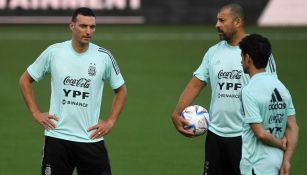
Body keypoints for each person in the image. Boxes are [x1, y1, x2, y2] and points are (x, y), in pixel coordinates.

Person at [19, 7, 127, 175]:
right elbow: (25, 80)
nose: (88, 31)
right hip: (57, 138)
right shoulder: (54, 52)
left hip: (90, 139)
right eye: (83, 26)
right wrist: (35, 113)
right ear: (72, 26)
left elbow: (121, 90)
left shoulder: (104, 56)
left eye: (92, 27)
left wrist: (110, 121)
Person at [171, 3, 277, 175]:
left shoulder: (257, 51)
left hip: (246, 138)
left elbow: (272, 92)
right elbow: (197, 83)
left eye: (222, 20)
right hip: (215, 136)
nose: (217, 25)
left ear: (237, 22)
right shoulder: (213, 52)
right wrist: (177, 112)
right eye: (216, 20)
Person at [239, 34, 299, 175]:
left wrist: (280, 143)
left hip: (255, 166)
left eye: (242, 56)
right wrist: (287, 160)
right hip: (277, 163)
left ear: (248, 58)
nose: (241, 60)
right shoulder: (281, 87)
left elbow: (260, 134)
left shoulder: (249, 90)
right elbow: (293, 127)